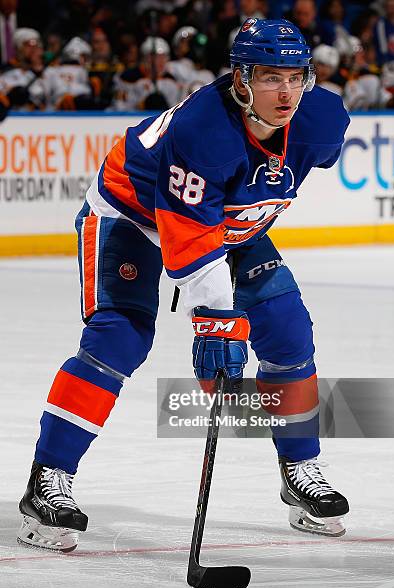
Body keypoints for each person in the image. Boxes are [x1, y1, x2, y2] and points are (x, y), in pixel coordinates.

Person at [18, 18, 350, 553]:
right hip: (132, 213)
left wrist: (226, 316)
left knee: (288, 334)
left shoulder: (323, 118)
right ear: (240, 79)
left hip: (227, 222)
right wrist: (215, 323)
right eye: (269, 76)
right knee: (118, 338)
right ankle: (47, 481)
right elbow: (187, 242)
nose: (285, 91)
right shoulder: (204, 131)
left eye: (295, 76)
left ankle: (301, 469)